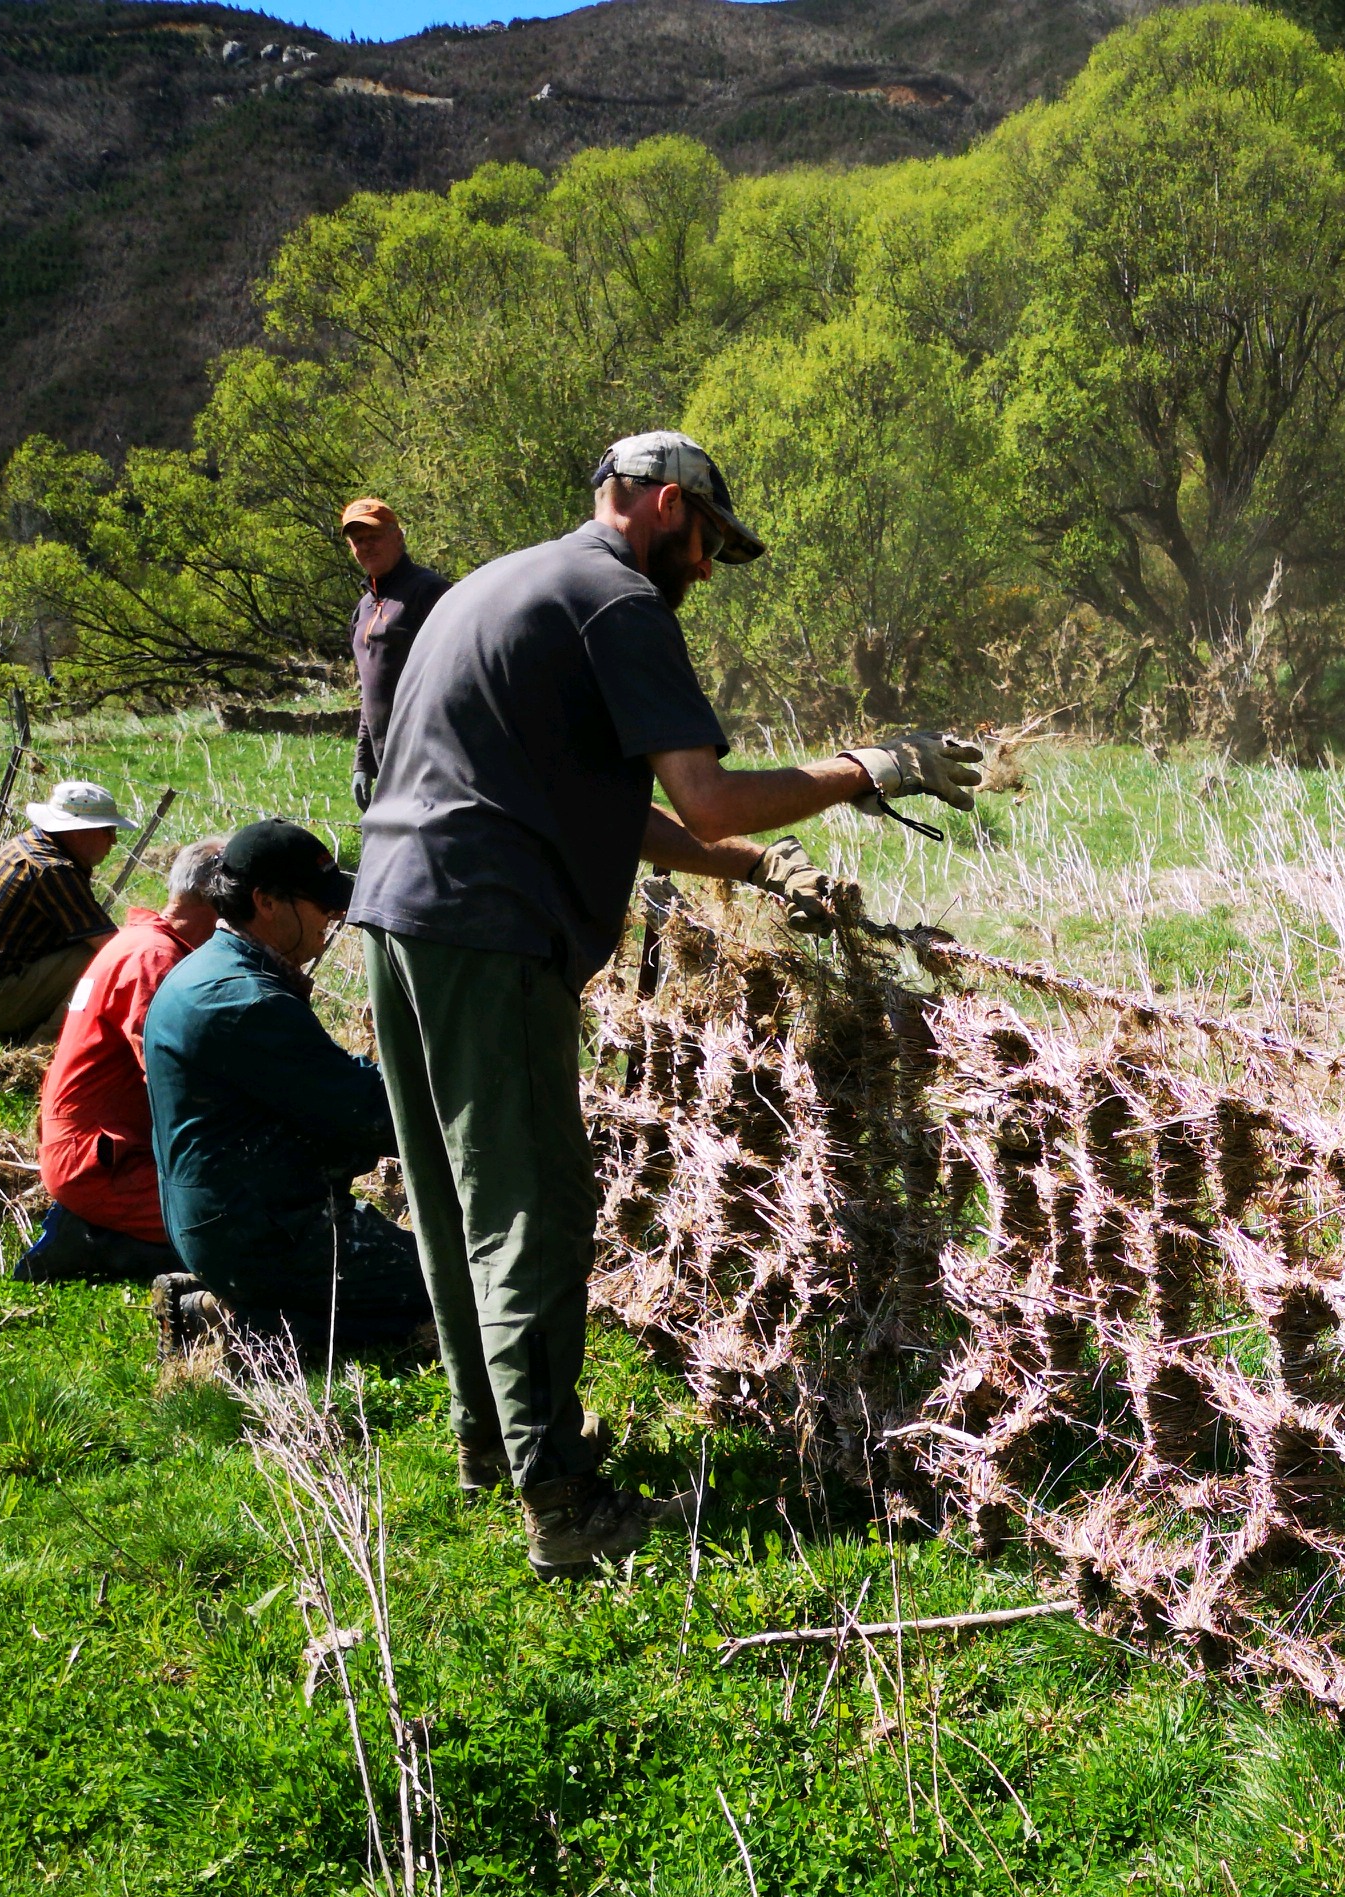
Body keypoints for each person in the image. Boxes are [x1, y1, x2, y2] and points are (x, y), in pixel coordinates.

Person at [351, 427, 982, 1579]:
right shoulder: (613, 599)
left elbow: (597, 811)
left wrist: (755, 872)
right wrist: (867, 768)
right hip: (488, 928)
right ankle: (562, 1503)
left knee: (452, 1193)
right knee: (532, 1202)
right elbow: (703, 798)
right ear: (656, 502)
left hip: (398, 914)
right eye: (706, 543)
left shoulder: (501, 582)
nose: (704, 571)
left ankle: (492, 1443)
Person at [144, 818, 436, 1365]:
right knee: (449, 1286)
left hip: (227, 1215)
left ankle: (224, 1305)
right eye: (319, 902)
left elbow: (322, 1087)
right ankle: (232, 1326)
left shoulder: (210, 969)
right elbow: (368, 1113)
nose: (332, 917)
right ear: (266, 901)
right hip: (263, 1233)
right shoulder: (246, 1002)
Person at [12, 835, 233, 1286]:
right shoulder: (155, 960)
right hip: (104, 1163)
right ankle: (97, 1241)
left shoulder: (140, 941)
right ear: (218, 899)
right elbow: (171, 1077)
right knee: (233, 1224)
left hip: (92, 1149)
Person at [0, 778, 125, 1044]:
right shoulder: (52, 868)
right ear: (78, 831)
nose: (113, 841)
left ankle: (17, 1033)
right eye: (107, 831)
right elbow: (112, 947)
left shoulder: (28, 845)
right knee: (101, 960)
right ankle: (41, 1051)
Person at [343, 498, 451, 813]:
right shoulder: (362, 610)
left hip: (432, 759)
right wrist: (363, 763)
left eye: (373, 536)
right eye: (358, 540)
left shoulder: (430, 592)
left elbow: (457, 677)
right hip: (388, 761)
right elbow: (370, 693)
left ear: (398, 536)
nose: (366, 546)